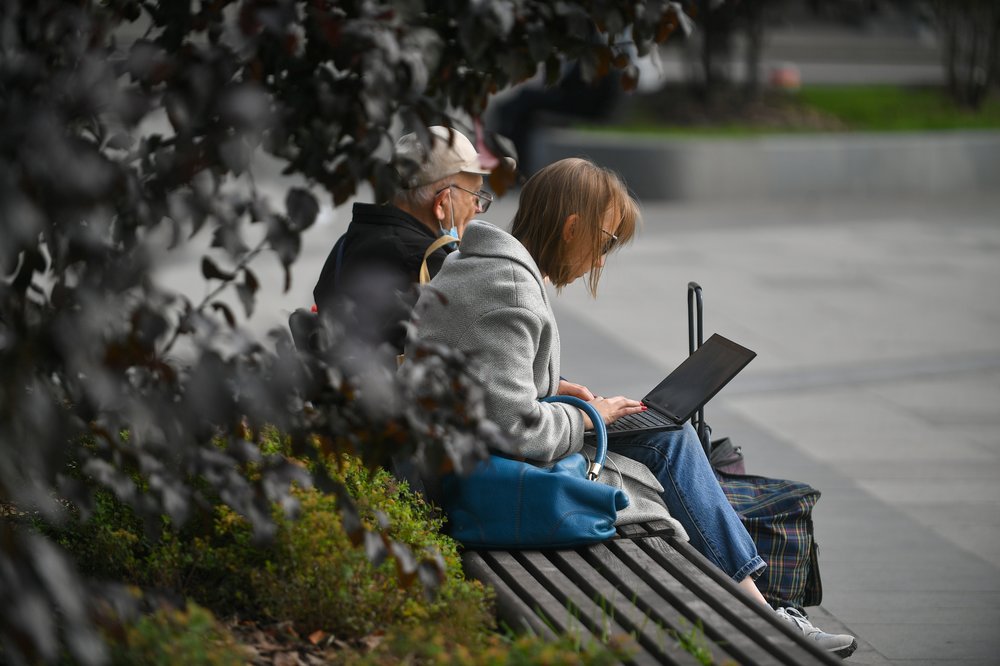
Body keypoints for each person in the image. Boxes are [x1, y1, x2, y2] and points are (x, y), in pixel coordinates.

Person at [407, 157, 857, 659]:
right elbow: (517, 430)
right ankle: (764, 615)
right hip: (487, 479)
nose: (601, 262)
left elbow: (491, 384)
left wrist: (559, 388)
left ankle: (760, 605)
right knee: (670, 449)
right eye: (604, 244)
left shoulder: (483, 266)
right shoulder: (508, 288)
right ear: (572, 228)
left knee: (668, 436)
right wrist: (588, 415)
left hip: (466, 455)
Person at [310, 125, 512, 360]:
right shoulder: (430, 263)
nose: (478, 208)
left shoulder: (348, 242)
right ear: (442, 203)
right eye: (475, 195)